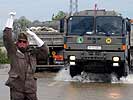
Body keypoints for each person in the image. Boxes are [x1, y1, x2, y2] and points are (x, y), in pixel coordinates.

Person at [3, 12, 48, 100]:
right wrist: (11, 18)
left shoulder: (32, 53)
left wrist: (34, 36)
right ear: (17, 42)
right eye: (20, 41)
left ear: (27, 43)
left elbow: (45, 51)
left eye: (24, 42)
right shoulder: (13, 51)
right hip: (17, 89)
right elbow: (7, 38)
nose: (22, 43)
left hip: (30, 89)